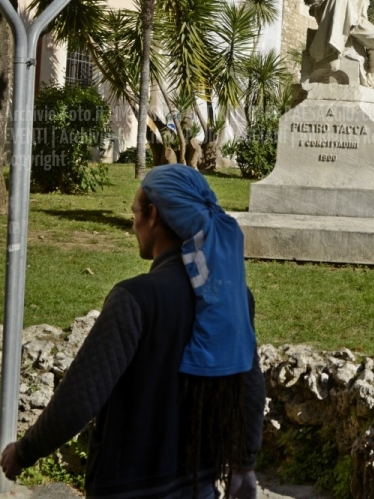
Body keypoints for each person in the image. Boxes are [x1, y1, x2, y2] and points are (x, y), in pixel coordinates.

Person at [0, 165, 265, 499]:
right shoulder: (233, 298)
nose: (132, 223)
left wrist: (23, 452)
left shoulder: (135, 299)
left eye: (134, 213)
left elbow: (80, 398)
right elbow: (251, 388)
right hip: (199, 487)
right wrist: (244, 465)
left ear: (152, 214)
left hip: (129, 489)